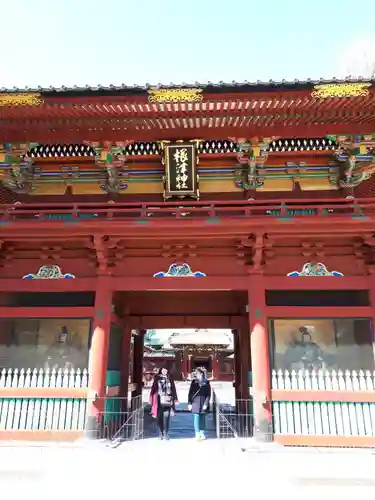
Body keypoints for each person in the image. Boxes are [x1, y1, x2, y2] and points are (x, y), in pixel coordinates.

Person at [149, 367, 178, 440]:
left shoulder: (170, 378)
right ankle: (160, 432)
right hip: (158, 400)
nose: (165, 371)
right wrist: (151, 399)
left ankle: (166, 433)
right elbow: (153, 389)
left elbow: (173, 388)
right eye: (163, 369)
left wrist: (175, 399)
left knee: (166, 417)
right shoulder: (157, 378)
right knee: (159, 418)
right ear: (161, 370)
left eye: (166, 369)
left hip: (168, 399)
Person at [188, 367, 211, 440]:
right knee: (196, 418)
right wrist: (189, 403)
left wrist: (206, 404)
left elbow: (208, 394)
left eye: (197, 373)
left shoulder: (206, 382)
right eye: (196, 374)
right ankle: (197, 433)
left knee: (202, 418)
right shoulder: (194, 382)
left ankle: (202, 433)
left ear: (201, 374)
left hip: (203, 402)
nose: (196, 375)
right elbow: (190, 393)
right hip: (195, 402)